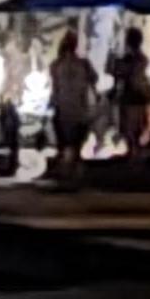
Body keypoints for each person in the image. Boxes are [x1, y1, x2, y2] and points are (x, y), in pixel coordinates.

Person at [47, 26, 96, 186]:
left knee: (64, 144)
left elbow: (55, 88)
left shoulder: (56, 65)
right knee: (75, 144)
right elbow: (93, 80)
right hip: (80, 109)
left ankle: (65, 174)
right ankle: (74, 174)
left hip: (62, 109)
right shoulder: (84, 64)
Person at [109, 26, 150, 158]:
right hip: (140, 98)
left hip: (129, 98)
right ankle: (137, 155)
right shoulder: (142, 59)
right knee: (138, 131)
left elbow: (117, 74)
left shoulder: (128, 60)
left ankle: (133, 155)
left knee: (129, 132)